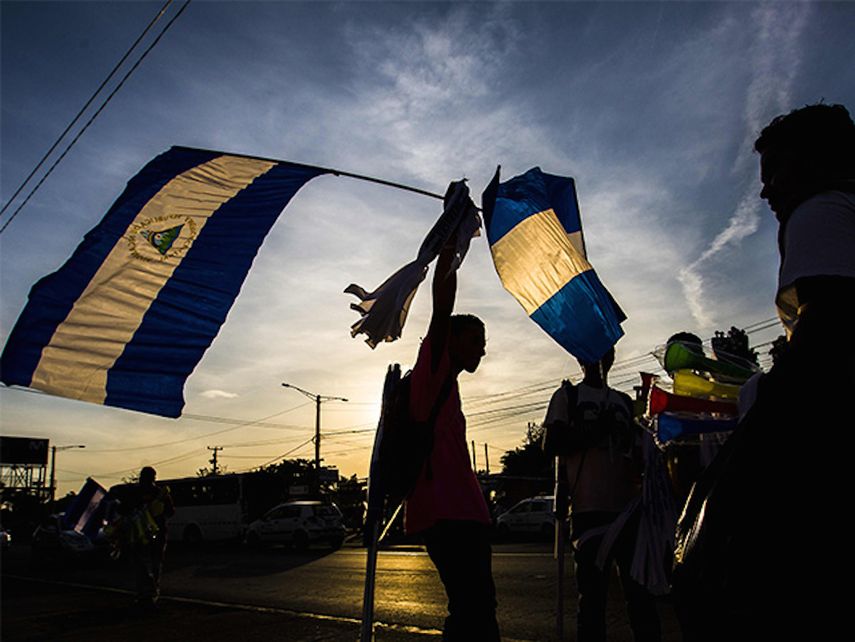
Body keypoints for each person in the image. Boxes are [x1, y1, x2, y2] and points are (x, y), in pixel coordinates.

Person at [672, 104, 855, 639]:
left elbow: (829, 328)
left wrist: (756, 430)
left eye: (776, 170)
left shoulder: (821, 209)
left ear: (819, 160)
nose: (766, 190)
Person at [403, 237, 499, 641]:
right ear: (453, 340)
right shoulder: (433, 370)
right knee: (470, 605)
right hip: (444, 513)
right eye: (476, 340)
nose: (481, 349)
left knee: (477, 607)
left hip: (467, 512)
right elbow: (441, 307)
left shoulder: (450, 387)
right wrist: (449, 248)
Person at [543, 348, 661, 642]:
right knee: (593, 599)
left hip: (629, 509)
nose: (599, 359)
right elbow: (551, 443)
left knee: (640, 597)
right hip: (588, 510)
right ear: (581, 360)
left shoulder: (622, 401)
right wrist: (595, 431)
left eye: (604, 351)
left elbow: (639, 451)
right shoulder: (568, 396)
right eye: (592, 353)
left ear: (612, 357)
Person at [124, 466, 175, 607]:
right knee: (154, 564)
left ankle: (145, 592)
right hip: (153, 534)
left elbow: (123, 510)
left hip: (142, 535)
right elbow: (171, 512)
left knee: (142, 564)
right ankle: (151, 592)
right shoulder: (159, 493)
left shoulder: (135, 493)